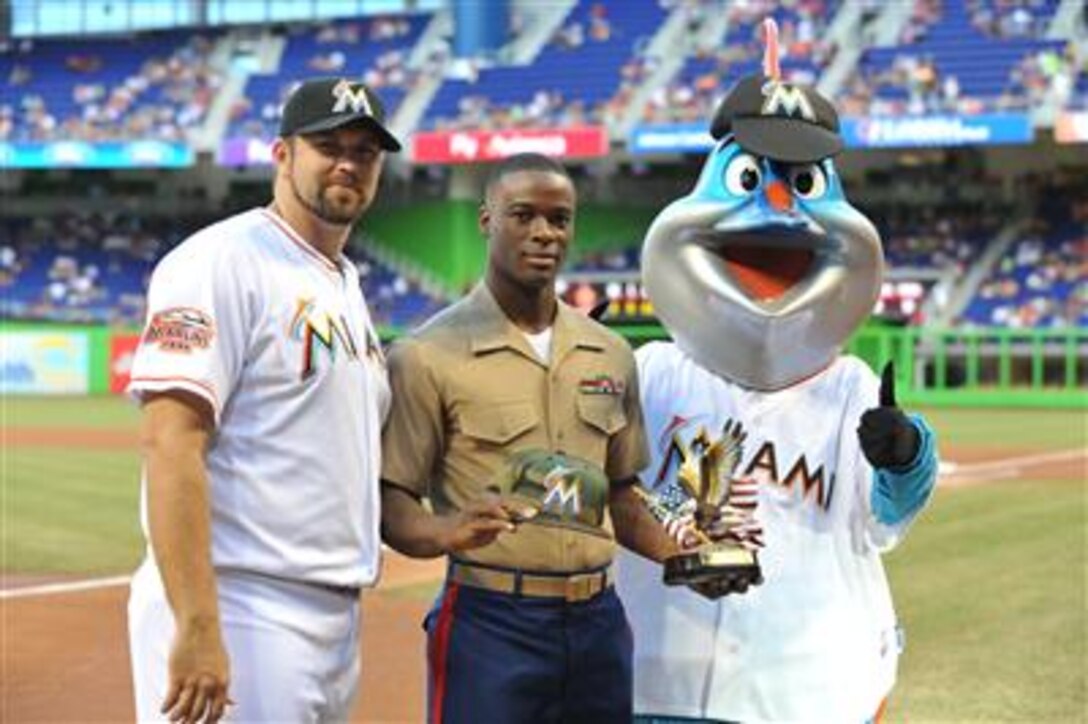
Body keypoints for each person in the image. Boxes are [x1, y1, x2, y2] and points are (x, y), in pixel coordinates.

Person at [616, 24, 940, 724]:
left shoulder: (850, 387)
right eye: (750, 177)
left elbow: (888, 518)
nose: (779, 205)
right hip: (657, 673)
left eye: (800, 182)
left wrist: (905, 455)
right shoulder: (651, 374)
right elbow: (595, 492)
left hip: (805, 689)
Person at [126, 77, 402, 723]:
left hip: (331, 611)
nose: (347, 163)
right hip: (243, 598)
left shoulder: (343, 281)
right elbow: (171, 442)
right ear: (282, 155)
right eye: (328, 145)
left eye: (364, 152)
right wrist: (196, 625)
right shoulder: (220, 261)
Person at [379, 152, 684, 724]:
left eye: (559, 219)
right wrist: (446, 529)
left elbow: (622, 495)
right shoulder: (424, 355)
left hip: (599, 623)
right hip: (490, 623)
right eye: (523, 215)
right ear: (486, 219)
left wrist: (686, 550)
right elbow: (392, 503)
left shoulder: (612, 353)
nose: (544, 233)